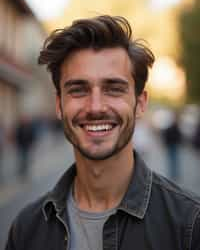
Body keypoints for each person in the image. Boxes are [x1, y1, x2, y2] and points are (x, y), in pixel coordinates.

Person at [5, 15, 200, 250]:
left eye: (113, 89)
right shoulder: (27, 229)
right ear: (59, 105)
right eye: (78, 90)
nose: (95, 107)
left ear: (140, 104)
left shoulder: (190, 224)